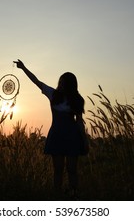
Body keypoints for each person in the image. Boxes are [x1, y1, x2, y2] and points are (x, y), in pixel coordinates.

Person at [13, 59, 88, 198]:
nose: (60, 84)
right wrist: (23, 68)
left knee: (72, 170)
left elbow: (79, 122)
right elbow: (36, 81)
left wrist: (84, 140)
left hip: (72, 137)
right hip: (57, 136)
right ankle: (57, 197)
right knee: (58, 170)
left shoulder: (77, 99)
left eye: (63, 82)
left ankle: (74, 196)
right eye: (60, 82)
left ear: (70, 85)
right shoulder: (53, 94)